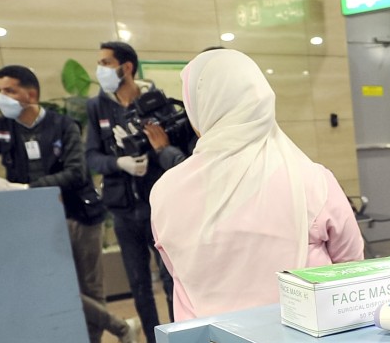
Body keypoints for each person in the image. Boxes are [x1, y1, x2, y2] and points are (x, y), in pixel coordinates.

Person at [150, 50, 364, 322]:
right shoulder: (312, 180)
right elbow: (351, 267)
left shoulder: (165, 191)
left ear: (200, 108)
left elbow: (176, 270)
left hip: (206, 341)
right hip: (304, 340)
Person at [0, 64, 139, 343]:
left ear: (31, 94)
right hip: (36, 223)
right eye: (1, 90)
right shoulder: (1, 129)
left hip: (80, 215)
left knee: (90, 285)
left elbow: (76, 172)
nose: (3, 97)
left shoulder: (64, 126)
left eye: (9, 90)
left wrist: (27, 189)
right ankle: (120, 326)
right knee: (54, 285)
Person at [85, 41, 195, 343]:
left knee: (170, 279)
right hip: (122, 208)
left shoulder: (156, 103)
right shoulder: (98, 107)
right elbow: (91, 156)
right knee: (138, 284)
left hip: (157, 205)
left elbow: (178, 148)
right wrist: (117, 163)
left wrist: (157, 154)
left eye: (106, 62)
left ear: (127, 67)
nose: (101, 69)